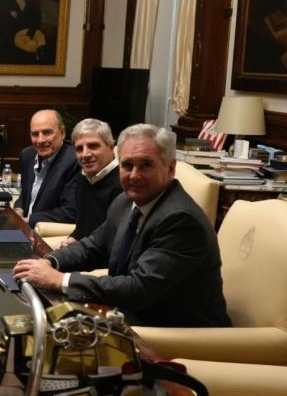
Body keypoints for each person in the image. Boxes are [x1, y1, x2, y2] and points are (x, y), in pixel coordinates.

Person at [13, 124, 231, 328]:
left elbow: (137, 289)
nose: (134, 175)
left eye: (146, 165)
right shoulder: (126, 201)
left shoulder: (181, 220)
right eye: (127, 165)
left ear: (170, 168)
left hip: (176, 335)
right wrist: (50, 262)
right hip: (129, 316)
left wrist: (60, 280)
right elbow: (93, 246)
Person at [59, 118, 122, 247]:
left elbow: (114, 241)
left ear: (111, 146)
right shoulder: (83, 178)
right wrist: (72, 239)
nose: (85, 154)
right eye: (79, 149)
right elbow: (83, 227)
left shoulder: (124, 183)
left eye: (93, 146)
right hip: (84, 252)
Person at [14, 109, 78, 226]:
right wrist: (19, 209)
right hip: (23, 229)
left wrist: (29, 220)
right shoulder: (27, 155)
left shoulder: (74, 161)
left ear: (62, 133)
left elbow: (70, 212)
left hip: (46, 234)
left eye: (47, 133)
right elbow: (25, 193)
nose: (40, 140)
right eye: (35, 134)